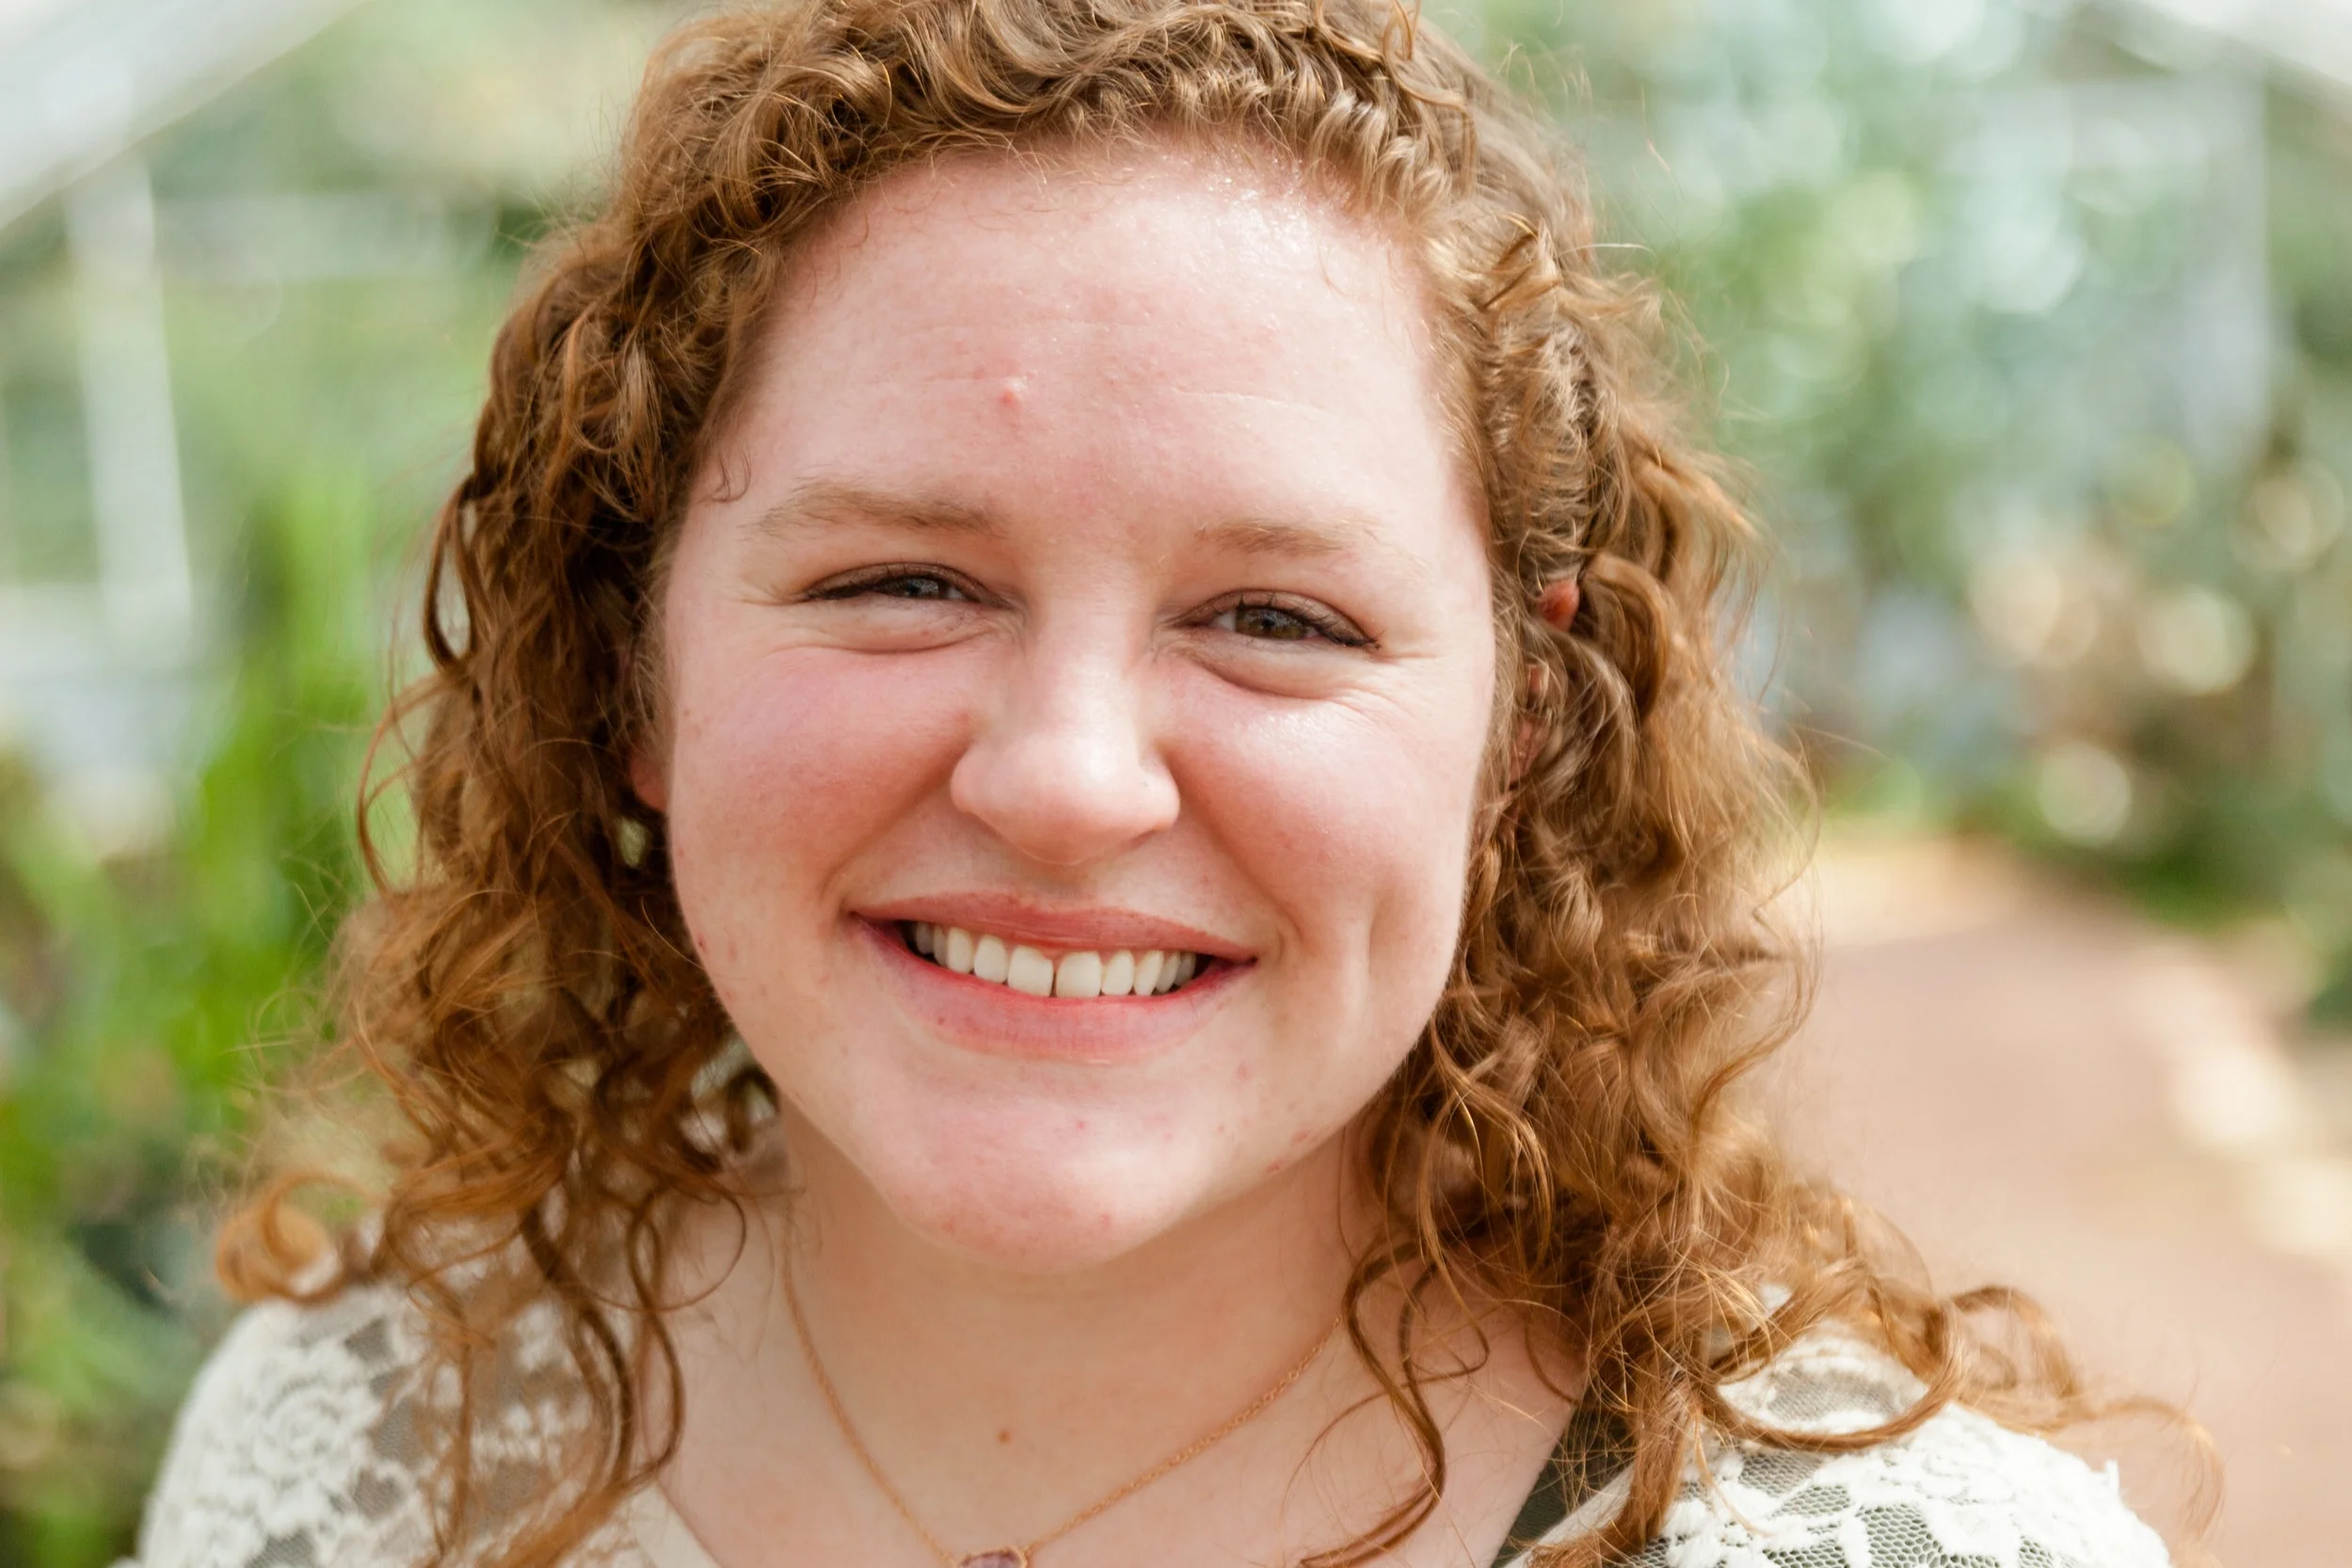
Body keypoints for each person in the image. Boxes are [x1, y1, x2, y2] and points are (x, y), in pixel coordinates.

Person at [134, 1, 2184, 1565]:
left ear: (1519, 730)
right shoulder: (355, 1457)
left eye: (1276, 616)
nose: (1066, 780)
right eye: (901, 581)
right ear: (632, 670)